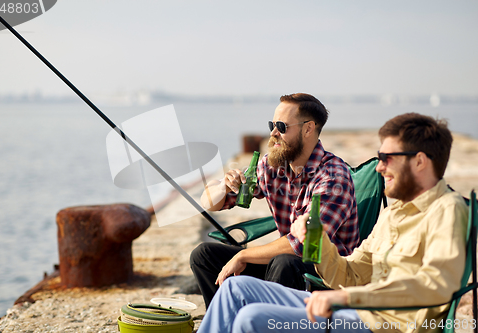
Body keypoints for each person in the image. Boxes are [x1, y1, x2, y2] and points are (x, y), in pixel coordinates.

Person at [197, 112, 469, 333]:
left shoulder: (447, 209)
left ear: (419, 161)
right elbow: (351, 275)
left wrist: (347, 298)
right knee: (234, 288)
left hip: (386, 325)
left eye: (387, 158)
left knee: (252, 318)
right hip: (354, 309)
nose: (379, 167)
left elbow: (435, 286)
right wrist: (317, 241)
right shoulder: (395, 212)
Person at [190, 93, 359, 308]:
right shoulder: (274, 166)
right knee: (204, 255)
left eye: (281, 126)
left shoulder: (333, 177)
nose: (273, 133)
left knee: (285, 262)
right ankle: (228, 322)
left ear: (308, 129)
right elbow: (210, 203)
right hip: (288, 267)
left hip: (326, 277)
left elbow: (305, 244)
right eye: (272, 124)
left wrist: (244, 255)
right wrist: (224, 185)